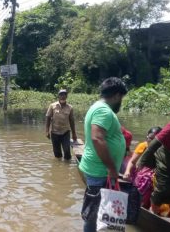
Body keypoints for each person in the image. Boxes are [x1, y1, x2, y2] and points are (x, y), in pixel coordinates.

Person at [79, 77, 128, 232]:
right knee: (93, 213)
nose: (121, 101)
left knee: (98, 210)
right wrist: (112, 169)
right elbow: (97, 138)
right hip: (101, 170)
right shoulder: (103, 110)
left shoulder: (98, 107)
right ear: (116, 95)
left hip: (99, 168)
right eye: (121, 98)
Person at [123, 126, 162, 208]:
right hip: (141, 173)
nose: (150, 141)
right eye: (149, 138)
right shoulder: (143, 146)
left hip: (156, 173)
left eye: (154, 140)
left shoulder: (162, 149)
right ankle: (141, 203)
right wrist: (127, 172)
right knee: (147, 179)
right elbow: (132, 161)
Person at [45, 89, 77, 160]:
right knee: (57, 154)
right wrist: (47, 131)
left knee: (67, 152)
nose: (63, 96)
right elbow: (48, 118)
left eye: (64, 95)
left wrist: (74, 134)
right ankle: (59, 167)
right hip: (54, 132)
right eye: (61, 95)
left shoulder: (70, 107)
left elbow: (72, 121)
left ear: (66, 96)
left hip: (65, 132)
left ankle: (67, 165)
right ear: (58, 96)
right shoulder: (52, 106)